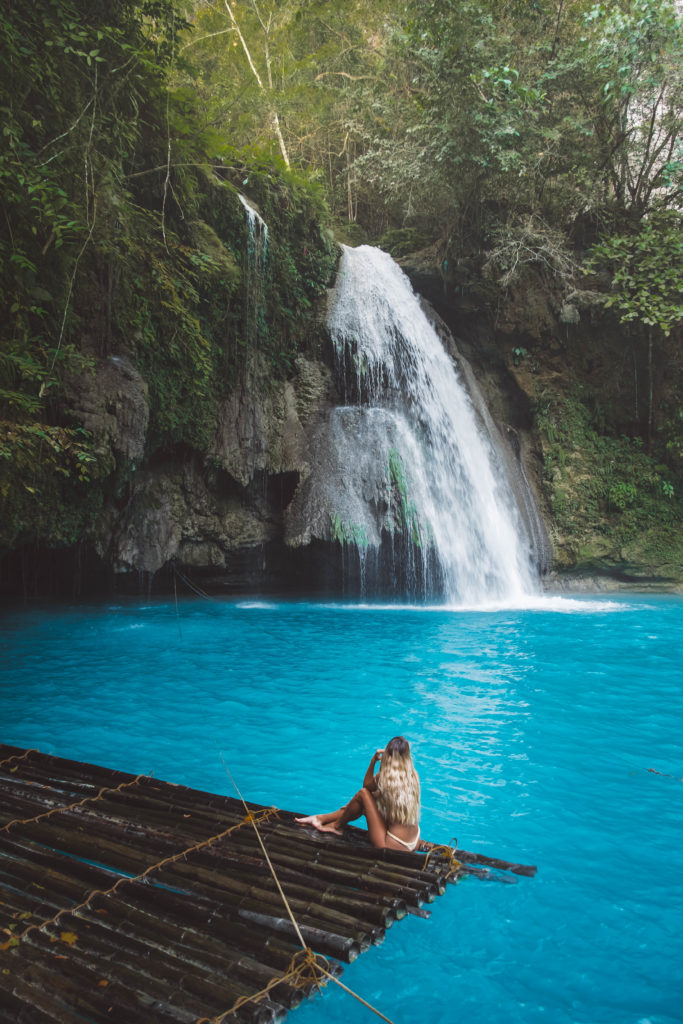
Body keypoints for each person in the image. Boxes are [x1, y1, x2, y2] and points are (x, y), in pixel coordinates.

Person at [295, 735, 421, 852]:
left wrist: (373, 761)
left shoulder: (384, 778)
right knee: (373, 798)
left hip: (392, 846)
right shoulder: (414, 775)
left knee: (363, 795)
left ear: (387, 754)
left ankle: (335, 826)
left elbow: (366, 787)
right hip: (414, 841)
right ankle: (320, 818)